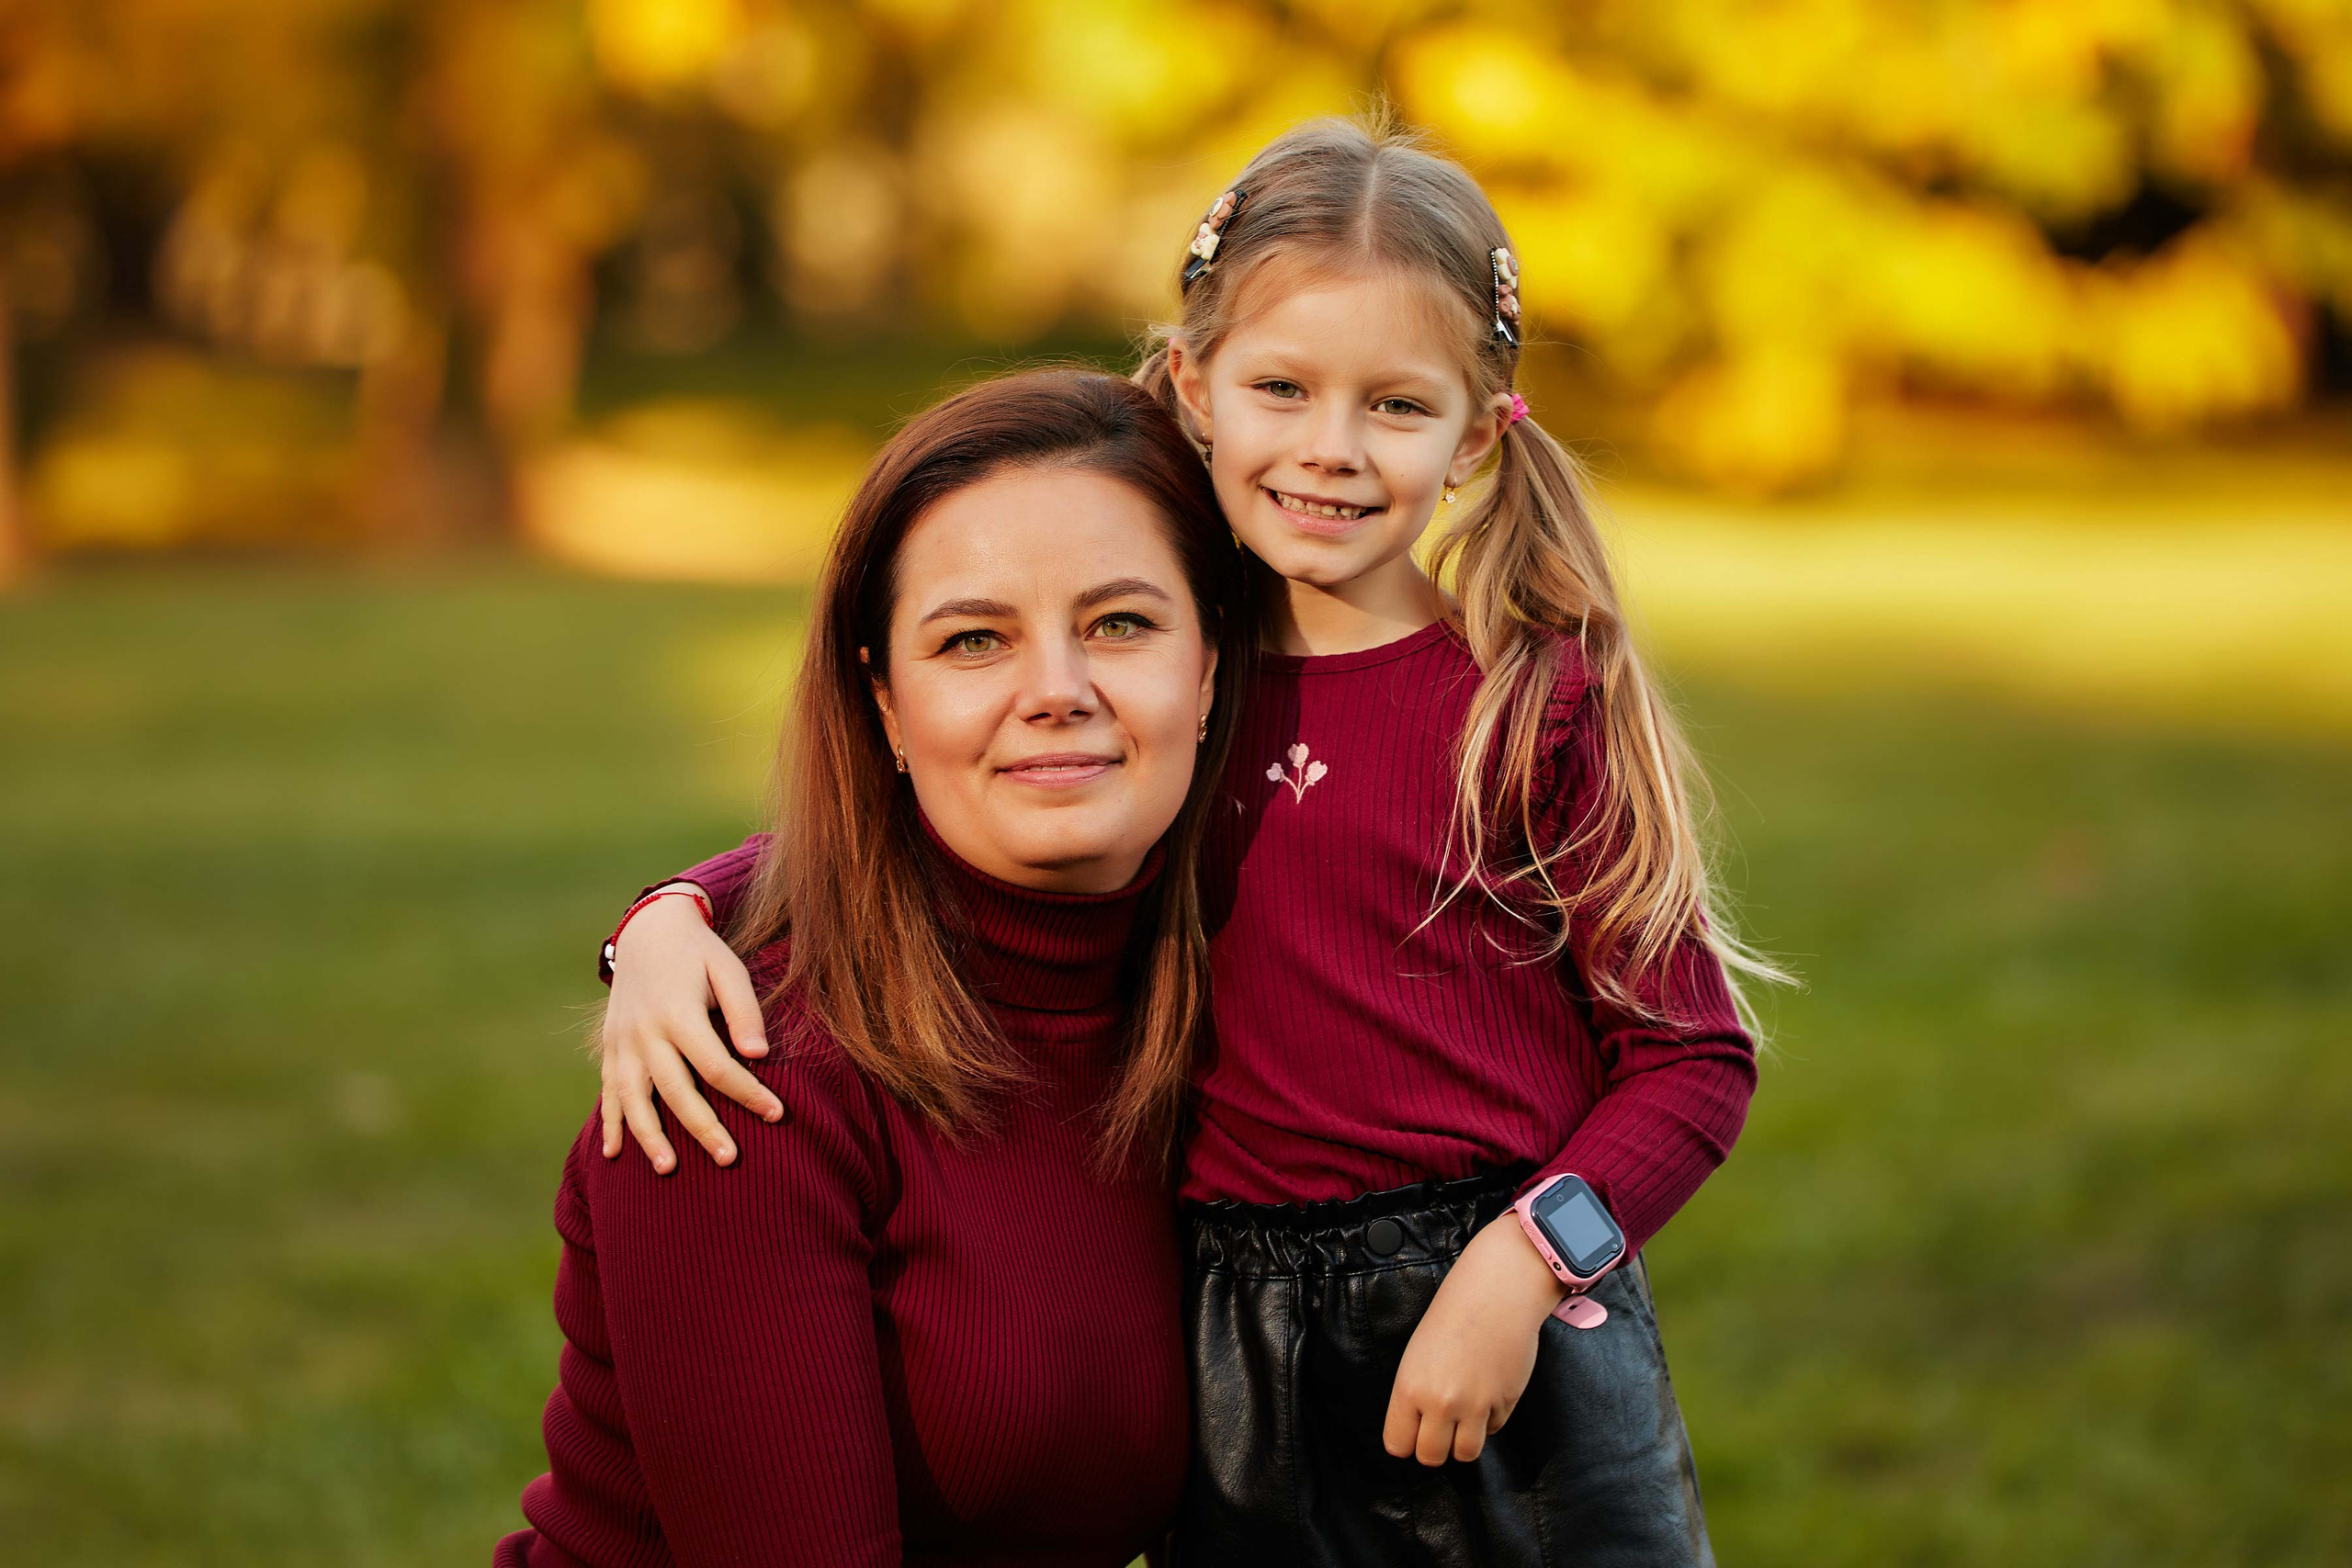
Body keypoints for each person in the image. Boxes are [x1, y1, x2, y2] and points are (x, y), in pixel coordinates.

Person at [596, 116, 1787, 1567]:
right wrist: (672, 914)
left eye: (1396, 408)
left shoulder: (1522, 698)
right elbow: (908, 800)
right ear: (1192, 386)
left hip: (1493, 1305)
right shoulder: (1181, 653)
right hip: (1241, 1322)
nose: (1330, 452)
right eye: (1282, 387)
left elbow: (1693, 1051)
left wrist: (1524, 1268)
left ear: (1480, 431)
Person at [495, 367, 1253, 1567]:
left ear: (1209, 669)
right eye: (973, 640)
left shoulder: (1240, 989)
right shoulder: (743, 1083)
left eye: (1120, 623)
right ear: (887, 705)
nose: (1056, 692)